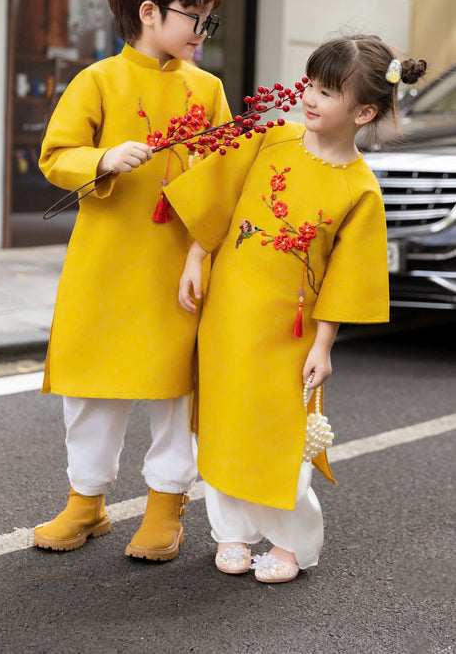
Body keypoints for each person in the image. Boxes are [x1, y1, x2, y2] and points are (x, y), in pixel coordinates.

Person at [165, 35, 426, 581]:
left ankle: (291, 545)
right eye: (309, 83)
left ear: (364, 111)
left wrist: (324, 345)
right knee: (220, 424)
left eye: (327, 91)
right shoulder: (271, 140)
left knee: (283, 438)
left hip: (291, 332)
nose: (308, 97)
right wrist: (195, 256)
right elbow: (220, 195)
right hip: (228, 314)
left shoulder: (361, 190)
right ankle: (231, 532)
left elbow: (348, 278)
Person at [33, 0, 230, 560]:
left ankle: (165, 510)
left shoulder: (209, 91)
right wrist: (105, 158)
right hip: (107, 262)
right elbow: (55, 156)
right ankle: (85, 505)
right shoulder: (97, 80)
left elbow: (225, 175)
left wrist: (203, 250)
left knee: (176, 390)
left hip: (179, 265)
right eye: (196, 16)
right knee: (91, 389)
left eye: (208, 17)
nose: (205, 28)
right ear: (150, 12)